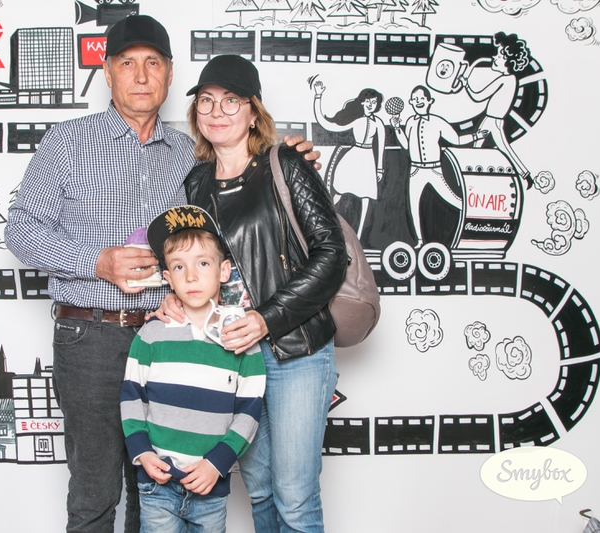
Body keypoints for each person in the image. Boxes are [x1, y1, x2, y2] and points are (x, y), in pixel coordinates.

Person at [4, 15, 320, 533]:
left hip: (172, 337)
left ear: (170, 75)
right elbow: (20, 231)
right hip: (91, 335)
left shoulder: (190, 154)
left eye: (153, 63)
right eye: (127, 63)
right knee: (94, 493)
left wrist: (287, 158)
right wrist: (96, 261)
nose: (141, 75)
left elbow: (238, 192)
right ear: (107, 72)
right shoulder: (67, 141)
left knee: (157, 490)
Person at [156, 55, 347, 533]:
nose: (216, 111)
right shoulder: (196, 183)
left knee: (295, 499)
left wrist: (265, 319)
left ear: (253, 112)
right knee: (259, 490)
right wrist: (176, 295)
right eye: (206, 101)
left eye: (231, 101)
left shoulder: (285, 164)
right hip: (233, 356)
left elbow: (331, 255)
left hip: (294, 349)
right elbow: (198, 265)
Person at [120, 205, 266, 533]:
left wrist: (218, 462)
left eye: (203, 263)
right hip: (156, 486)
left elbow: (249, 410)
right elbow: (132, 397)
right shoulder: (151, 334)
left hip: (210, 488)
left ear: (224, 270)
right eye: (179, 266)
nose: (191, 276)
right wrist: (142, 453)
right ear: (167, 278)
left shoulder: (241, 336)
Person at [391, 85, 487, 248]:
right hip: (416, 171)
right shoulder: (410, 122)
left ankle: (475, 222)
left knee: (454, 200)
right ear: (411, 102)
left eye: (422, 98)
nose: (418, 101)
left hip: (434, 170)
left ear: (430, 101)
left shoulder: (437, 122)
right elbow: (406, 145)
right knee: (414, 206)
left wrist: (476, 136)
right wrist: (397, 128)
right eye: (415, 99)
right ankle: (420, 241)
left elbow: (456, 140)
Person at [312, 83, 386, 241]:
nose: (371, 104)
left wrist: (379, 168)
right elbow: (327, 124)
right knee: (338, 192)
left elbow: (381, 146)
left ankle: (359, 236)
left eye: (374, 102)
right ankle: (327, 228)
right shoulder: (356, 121)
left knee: (366, 198)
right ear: (362, 102)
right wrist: (318, 96)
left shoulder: (379, 123)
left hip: (368, 161)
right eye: (368, 101)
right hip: (353, 158)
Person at [462, 31, 532, 187]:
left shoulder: (505, 80)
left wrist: (466, 84)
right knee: (491, 148)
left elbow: (478, 96)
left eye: (499, 55)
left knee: (482, 149)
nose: (494, 57)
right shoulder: (511, 79)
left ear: (508, 60)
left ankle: (475, 179)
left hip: (493, 121)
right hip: (493, 120)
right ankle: (524, 175)